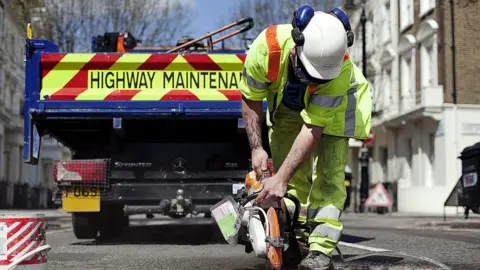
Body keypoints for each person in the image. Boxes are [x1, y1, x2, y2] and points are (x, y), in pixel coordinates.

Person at [239, 5, 372, 270]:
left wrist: (280, 178)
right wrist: (257, 148)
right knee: (291, 182)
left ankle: (321, 250)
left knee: (329, 175)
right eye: (307, 73)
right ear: (296, 44)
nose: (312, 80)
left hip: (338, 108)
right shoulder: (267, 47)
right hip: (286, 109)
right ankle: (299, 244)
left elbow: (314, 127)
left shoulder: (340, 70)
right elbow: (251, 97)